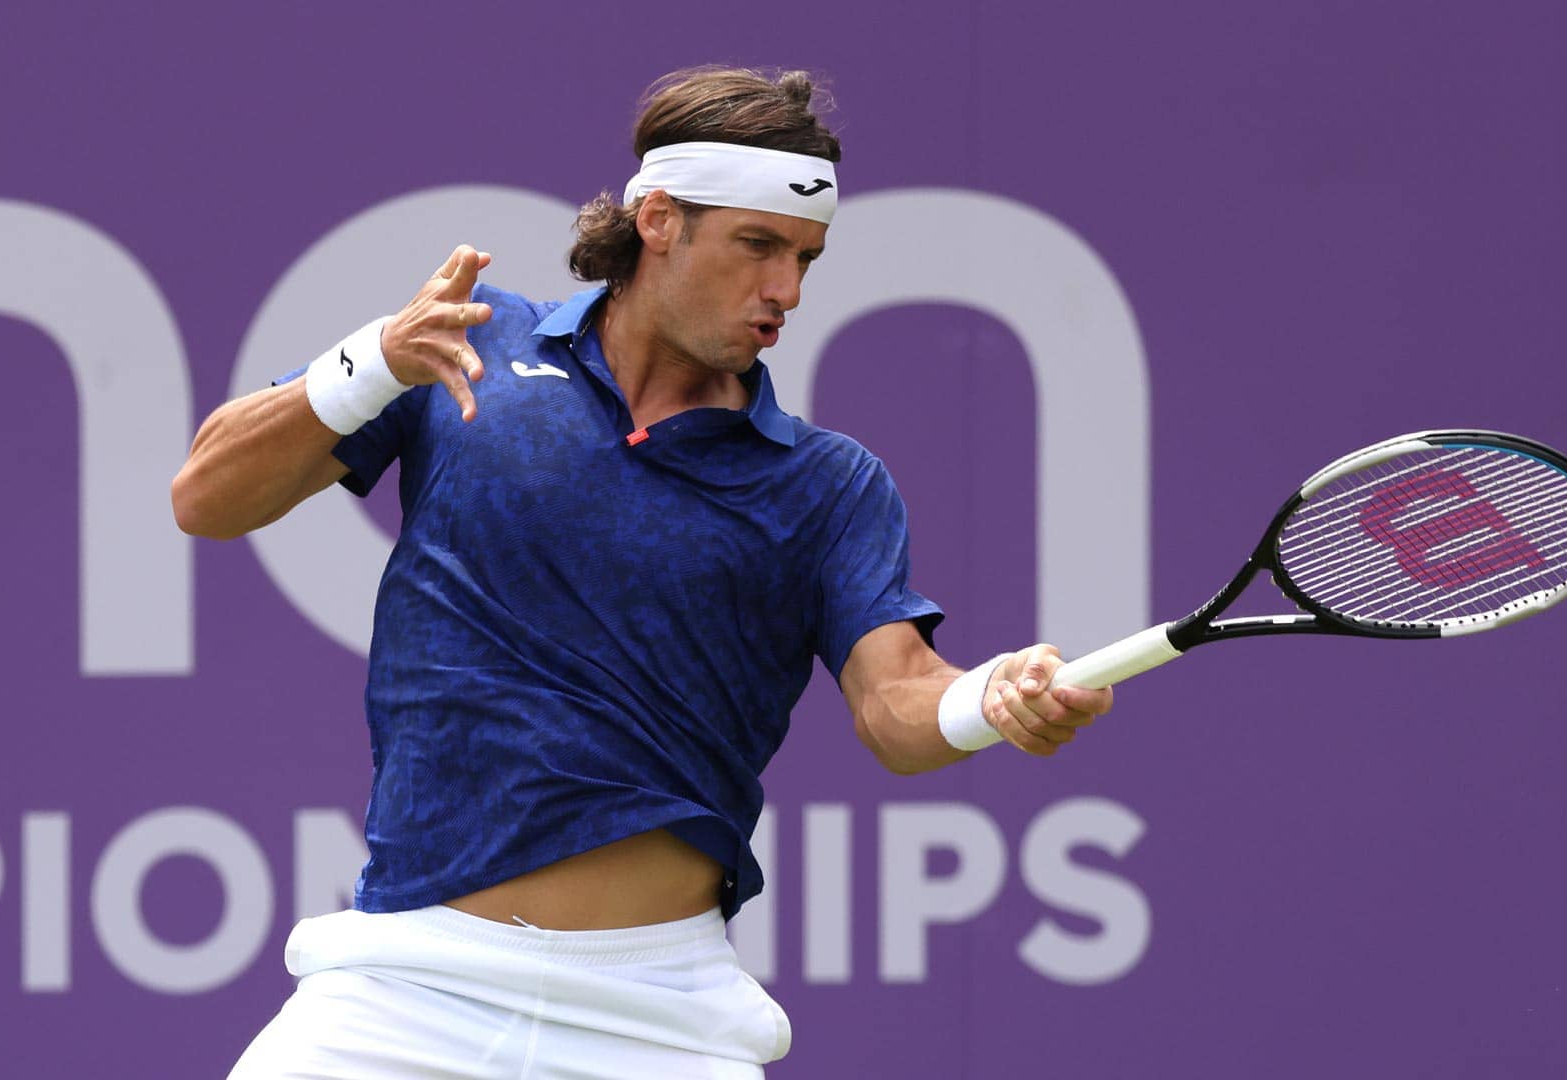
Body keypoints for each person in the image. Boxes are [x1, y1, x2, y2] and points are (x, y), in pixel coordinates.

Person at [172, 65, 1113, 1079]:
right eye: (758, 246)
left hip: (661, 1023)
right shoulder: (468, 347)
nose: (786, 292)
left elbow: (898, 707)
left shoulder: (828, 485)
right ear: (658, 220)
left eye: (806, 257)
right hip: (403, 991)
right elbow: (206, 500)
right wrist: (378, 361)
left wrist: (990, 698)